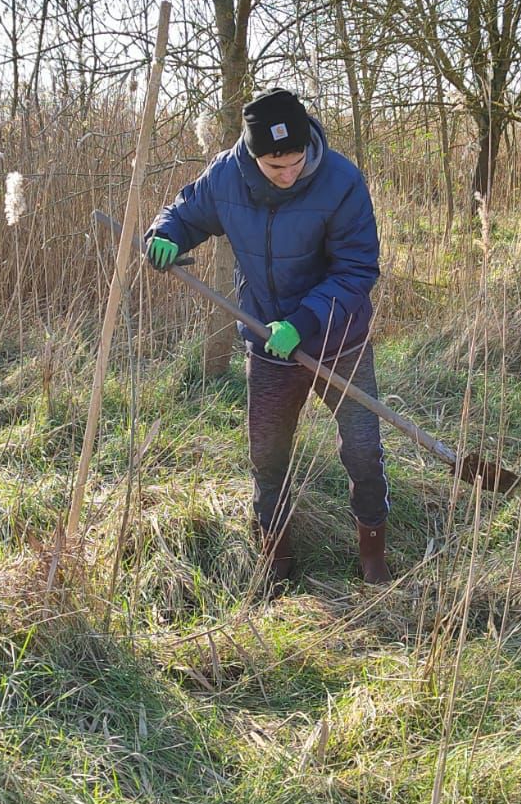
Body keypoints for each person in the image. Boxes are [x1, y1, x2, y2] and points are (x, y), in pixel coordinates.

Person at [144, 87, 390, 587]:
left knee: (363, 447)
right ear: (253, 156)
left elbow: (357, 268)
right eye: (275, 167)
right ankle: (274, 555)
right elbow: (186, 213)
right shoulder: (226, 176)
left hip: (338, 338)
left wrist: (302, 322)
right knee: (268, 454)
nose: (288, 174)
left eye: (296, 162)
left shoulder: (341, 182)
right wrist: (162, 235)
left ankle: (373, 555)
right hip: (266, 339)